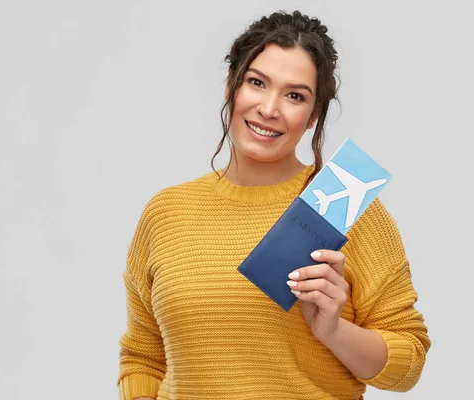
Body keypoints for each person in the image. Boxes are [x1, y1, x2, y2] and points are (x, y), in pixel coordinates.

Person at [117, 10, 430, 400]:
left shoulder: (348, 207)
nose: (269, 108)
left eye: (295, 95)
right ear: (232, 85)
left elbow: (408, 364)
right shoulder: (166, 213)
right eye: (256, 83)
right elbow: (142, 357)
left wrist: (333, 330)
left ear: (314, 114)